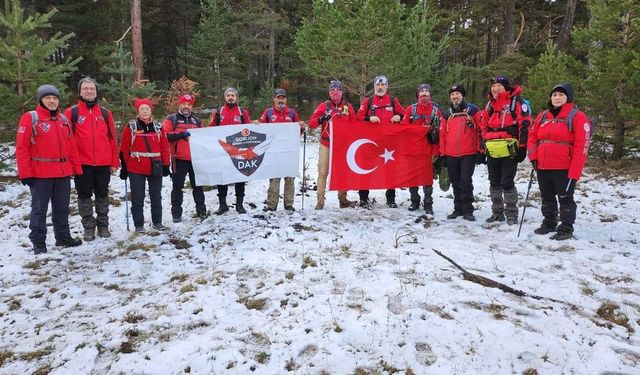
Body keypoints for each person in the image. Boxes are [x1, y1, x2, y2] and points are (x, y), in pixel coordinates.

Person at [16, 84, 83, 254]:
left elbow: (72, 146)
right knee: (39, 209)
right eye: (48, 98)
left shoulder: (63, 119)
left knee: (62, 207)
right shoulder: (30, 118)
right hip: (41, 173)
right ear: (41, 100)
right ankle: (38, 241)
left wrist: (76, 169)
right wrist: (25, 173)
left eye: (54, 98)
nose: (52, 101)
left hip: (62, 172)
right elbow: (22, 148)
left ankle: (62, 237)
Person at [527, 83, 590, 240]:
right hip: (542, 165)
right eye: (554, 95)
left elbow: (582, 145)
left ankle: (566, 228)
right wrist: (533, 157)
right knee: (547, 197)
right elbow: (532, 136)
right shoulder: (542, 116)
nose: (557, 98)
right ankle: (549, 223)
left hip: (564, 167)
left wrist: (575, 171)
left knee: (565, 198)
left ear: (568, 98)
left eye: (561, 95)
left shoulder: (577, 116)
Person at [63, 77, 118, 241]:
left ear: (96, 91)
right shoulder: (71, 113)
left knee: (102, 194)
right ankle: (88, 227)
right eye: (86, 88)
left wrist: (114, 161)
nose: (89, 91)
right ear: (80, 91)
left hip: (103, 163)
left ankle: (103, 225)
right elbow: (67, 140)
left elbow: (112, 139)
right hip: (82, 164)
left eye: (92, 88)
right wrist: (72, 164)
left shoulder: (105, 113)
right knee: (84, 196)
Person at [479, 75, 531, 225]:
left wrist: (522, 147)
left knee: (507, 182)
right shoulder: (489, 105)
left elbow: (525, 125)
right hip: (492, 148)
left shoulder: (517, 103)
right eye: (493, 86)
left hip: (510, 148)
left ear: (506, 87)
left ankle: (512, 214)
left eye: (499, 86)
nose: (495, 88)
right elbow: (483, 126)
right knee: (494, 182)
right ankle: (497, 212)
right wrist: (483, 147)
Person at [119, 98, 170, 232]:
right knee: (138, 196)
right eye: (142, 109)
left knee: (156, 196)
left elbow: (164, 147)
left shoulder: (158, 127)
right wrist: (124, 167)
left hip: (156, 166)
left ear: (151, 110)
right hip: (136, 167)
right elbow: (124, 149)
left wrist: (166, 164)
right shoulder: (132, 127)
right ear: (138, 111)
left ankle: (157, 222)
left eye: (147, 108)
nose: (145, 111)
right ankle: (139, 225)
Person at [356, 75, 404, 208]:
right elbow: (358, 117)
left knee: (390, 170)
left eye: (383, 85)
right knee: (366, 169)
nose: (380, 87)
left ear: (387, 86)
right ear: (374, 87)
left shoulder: (393, 101)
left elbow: (404, 114)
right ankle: (363, 198)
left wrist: (398, 116)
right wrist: (368, 118)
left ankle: (391, 199)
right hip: (371, 142)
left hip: (389, 142)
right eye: (378, 85)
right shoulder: (368, 101)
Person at [308, 80, 357, 210]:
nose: (335, 93)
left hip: (342, 145)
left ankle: (342, 199)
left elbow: (355, 126)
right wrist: (321, 119)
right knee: (323, 171)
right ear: (329, 92)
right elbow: (311, 123)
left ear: (341, 92)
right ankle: (320, 201)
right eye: (332, 90)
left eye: (338, 90)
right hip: (326, 143)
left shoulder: (348, 107)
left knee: (342, 172)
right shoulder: (324, 106)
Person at [256, 88, 306, 211]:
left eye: (283, 98)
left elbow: (299, 131)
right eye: (278, 98)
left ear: (286, 99)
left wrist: (301, 126)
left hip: (289, 151)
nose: (281, 100)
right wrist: (257, 124)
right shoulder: (268, 113)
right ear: (274, 99)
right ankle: (271, 204)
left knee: (289, 178)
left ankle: (289, 204)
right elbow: (261, 128)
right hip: (274, 152)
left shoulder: (292, 113)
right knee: (274, 178)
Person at [440, 84, 484, 221]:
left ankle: (468, 210)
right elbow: (442, 135)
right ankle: (457, 209)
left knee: (465, 181)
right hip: (451, 153)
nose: (455, 97)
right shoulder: (447, 114)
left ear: (462, 95)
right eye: (452, 95)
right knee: (455, 181)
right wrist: (442, 154)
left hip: (468, 153)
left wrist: (480, 151)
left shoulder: (473, 110)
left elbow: (481, 130)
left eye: (457, 94)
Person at [164, 94, 207, 222]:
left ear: (192, 106)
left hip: (195, 159)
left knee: (197, 186)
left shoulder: (197, 121)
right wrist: (181, 134)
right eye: (184, 104)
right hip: (178, 159)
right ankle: (176, 214)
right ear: (180, 105)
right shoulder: (172, 118)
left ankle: (202, 211)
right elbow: (166, 135)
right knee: (177, 187)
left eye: (189, 104)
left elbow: (204, 137)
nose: (186, 106)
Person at [401, 83, 443, 215]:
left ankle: (428, 203)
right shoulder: (410, 110)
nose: (424, 93)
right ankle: (414, 201)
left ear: (430, 94)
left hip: (428, 150)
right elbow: (404, 129)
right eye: (422, 91)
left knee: (427, 178)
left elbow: (440, 133)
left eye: (427, 91)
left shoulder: (436, 111)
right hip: (413, 150)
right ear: (417, 94)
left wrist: (436, 151)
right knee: (412, 177)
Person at [208, 87, 251, 214]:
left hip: (239, 149)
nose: (231, 97)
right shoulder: (218, 112)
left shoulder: (242, 112)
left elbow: (248, 129)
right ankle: (222, 205)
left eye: (233, 95)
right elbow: (211, 128)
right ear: (225, 97)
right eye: (228, 95)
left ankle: (239, 204)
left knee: (240, 176)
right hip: (222, 150)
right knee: (222, 176)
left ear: (236, 97)